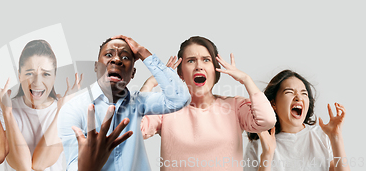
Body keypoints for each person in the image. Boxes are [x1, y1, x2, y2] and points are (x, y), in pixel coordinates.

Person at [140, 36, 276, 171]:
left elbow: (267, 120)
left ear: (215, 70)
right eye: (191, 61)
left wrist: (246, 79)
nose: (199, 66)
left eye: (206, 60)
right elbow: (134, 131)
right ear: (180, 73)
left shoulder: (235, 106)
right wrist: (150, 83)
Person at [57, 35, 190, 171]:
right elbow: (72, 165)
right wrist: (89, 165)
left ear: (132, 73)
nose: (116, 60)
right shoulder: (73, 109)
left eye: (125, 57)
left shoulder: (139, 102)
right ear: (96, 67)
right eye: (109, 54)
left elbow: (179, 99)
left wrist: (143, 52)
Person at [0, 40, 81, 171]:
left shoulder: (66, 112)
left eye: (46, 74)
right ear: (19, 75)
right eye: (29, 73)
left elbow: (40, 164)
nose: (37, 82)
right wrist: (8, 113)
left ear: (54, 77)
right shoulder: (3, 111)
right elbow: (23, 166)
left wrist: (62, 110)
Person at [244, 70, 350, 171]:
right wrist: (267, 154)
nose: (298, 97)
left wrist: (336, 137)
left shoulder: (322, 137)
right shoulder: (258, 145)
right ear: (273, 104)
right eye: (289, 92)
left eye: (304, 93)